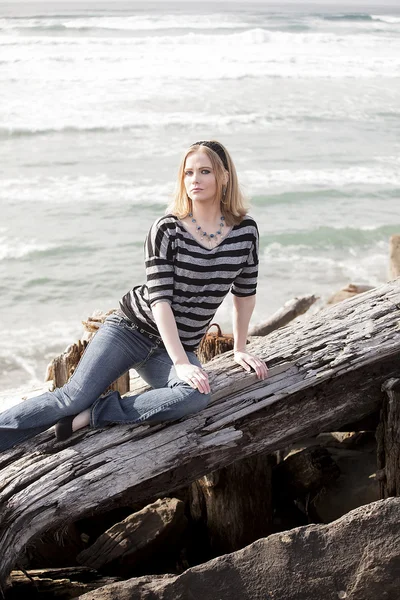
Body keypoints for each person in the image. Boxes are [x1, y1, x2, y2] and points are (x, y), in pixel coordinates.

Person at [0, 140, 268, 452]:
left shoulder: (245, 231)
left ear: (224, 176)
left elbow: (245, 293)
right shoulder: (166, 229)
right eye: (188, 172)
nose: (194, 179)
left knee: (195, 396)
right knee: (73, 396)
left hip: (174, 347)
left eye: (204, 171)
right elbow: (160, 302)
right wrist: (182, 363)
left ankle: (94, 415)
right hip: (130, 330)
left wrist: (239, 348)